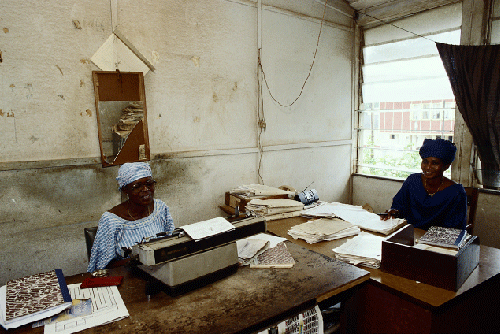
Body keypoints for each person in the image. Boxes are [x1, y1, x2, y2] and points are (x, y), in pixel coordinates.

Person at [87, 162, 175, 272]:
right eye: (137, 186)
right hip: (128, 276)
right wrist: (140, 260)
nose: (145, 189)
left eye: (149, 183)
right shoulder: (111, 221)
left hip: (161, 272)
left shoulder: (160, 208)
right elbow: (103, 266)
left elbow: (172, 242)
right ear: (125, 190)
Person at [383, 138, 467, 230]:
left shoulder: (456, 193)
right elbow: (398, 204)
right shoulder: (412, 181)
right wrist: (394, 211)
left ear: (446, 166)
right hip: (409, 235)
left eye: (434, 163)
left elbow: (455, 228)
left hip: (437, 241)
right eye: (425, 161)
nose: (428, 167)